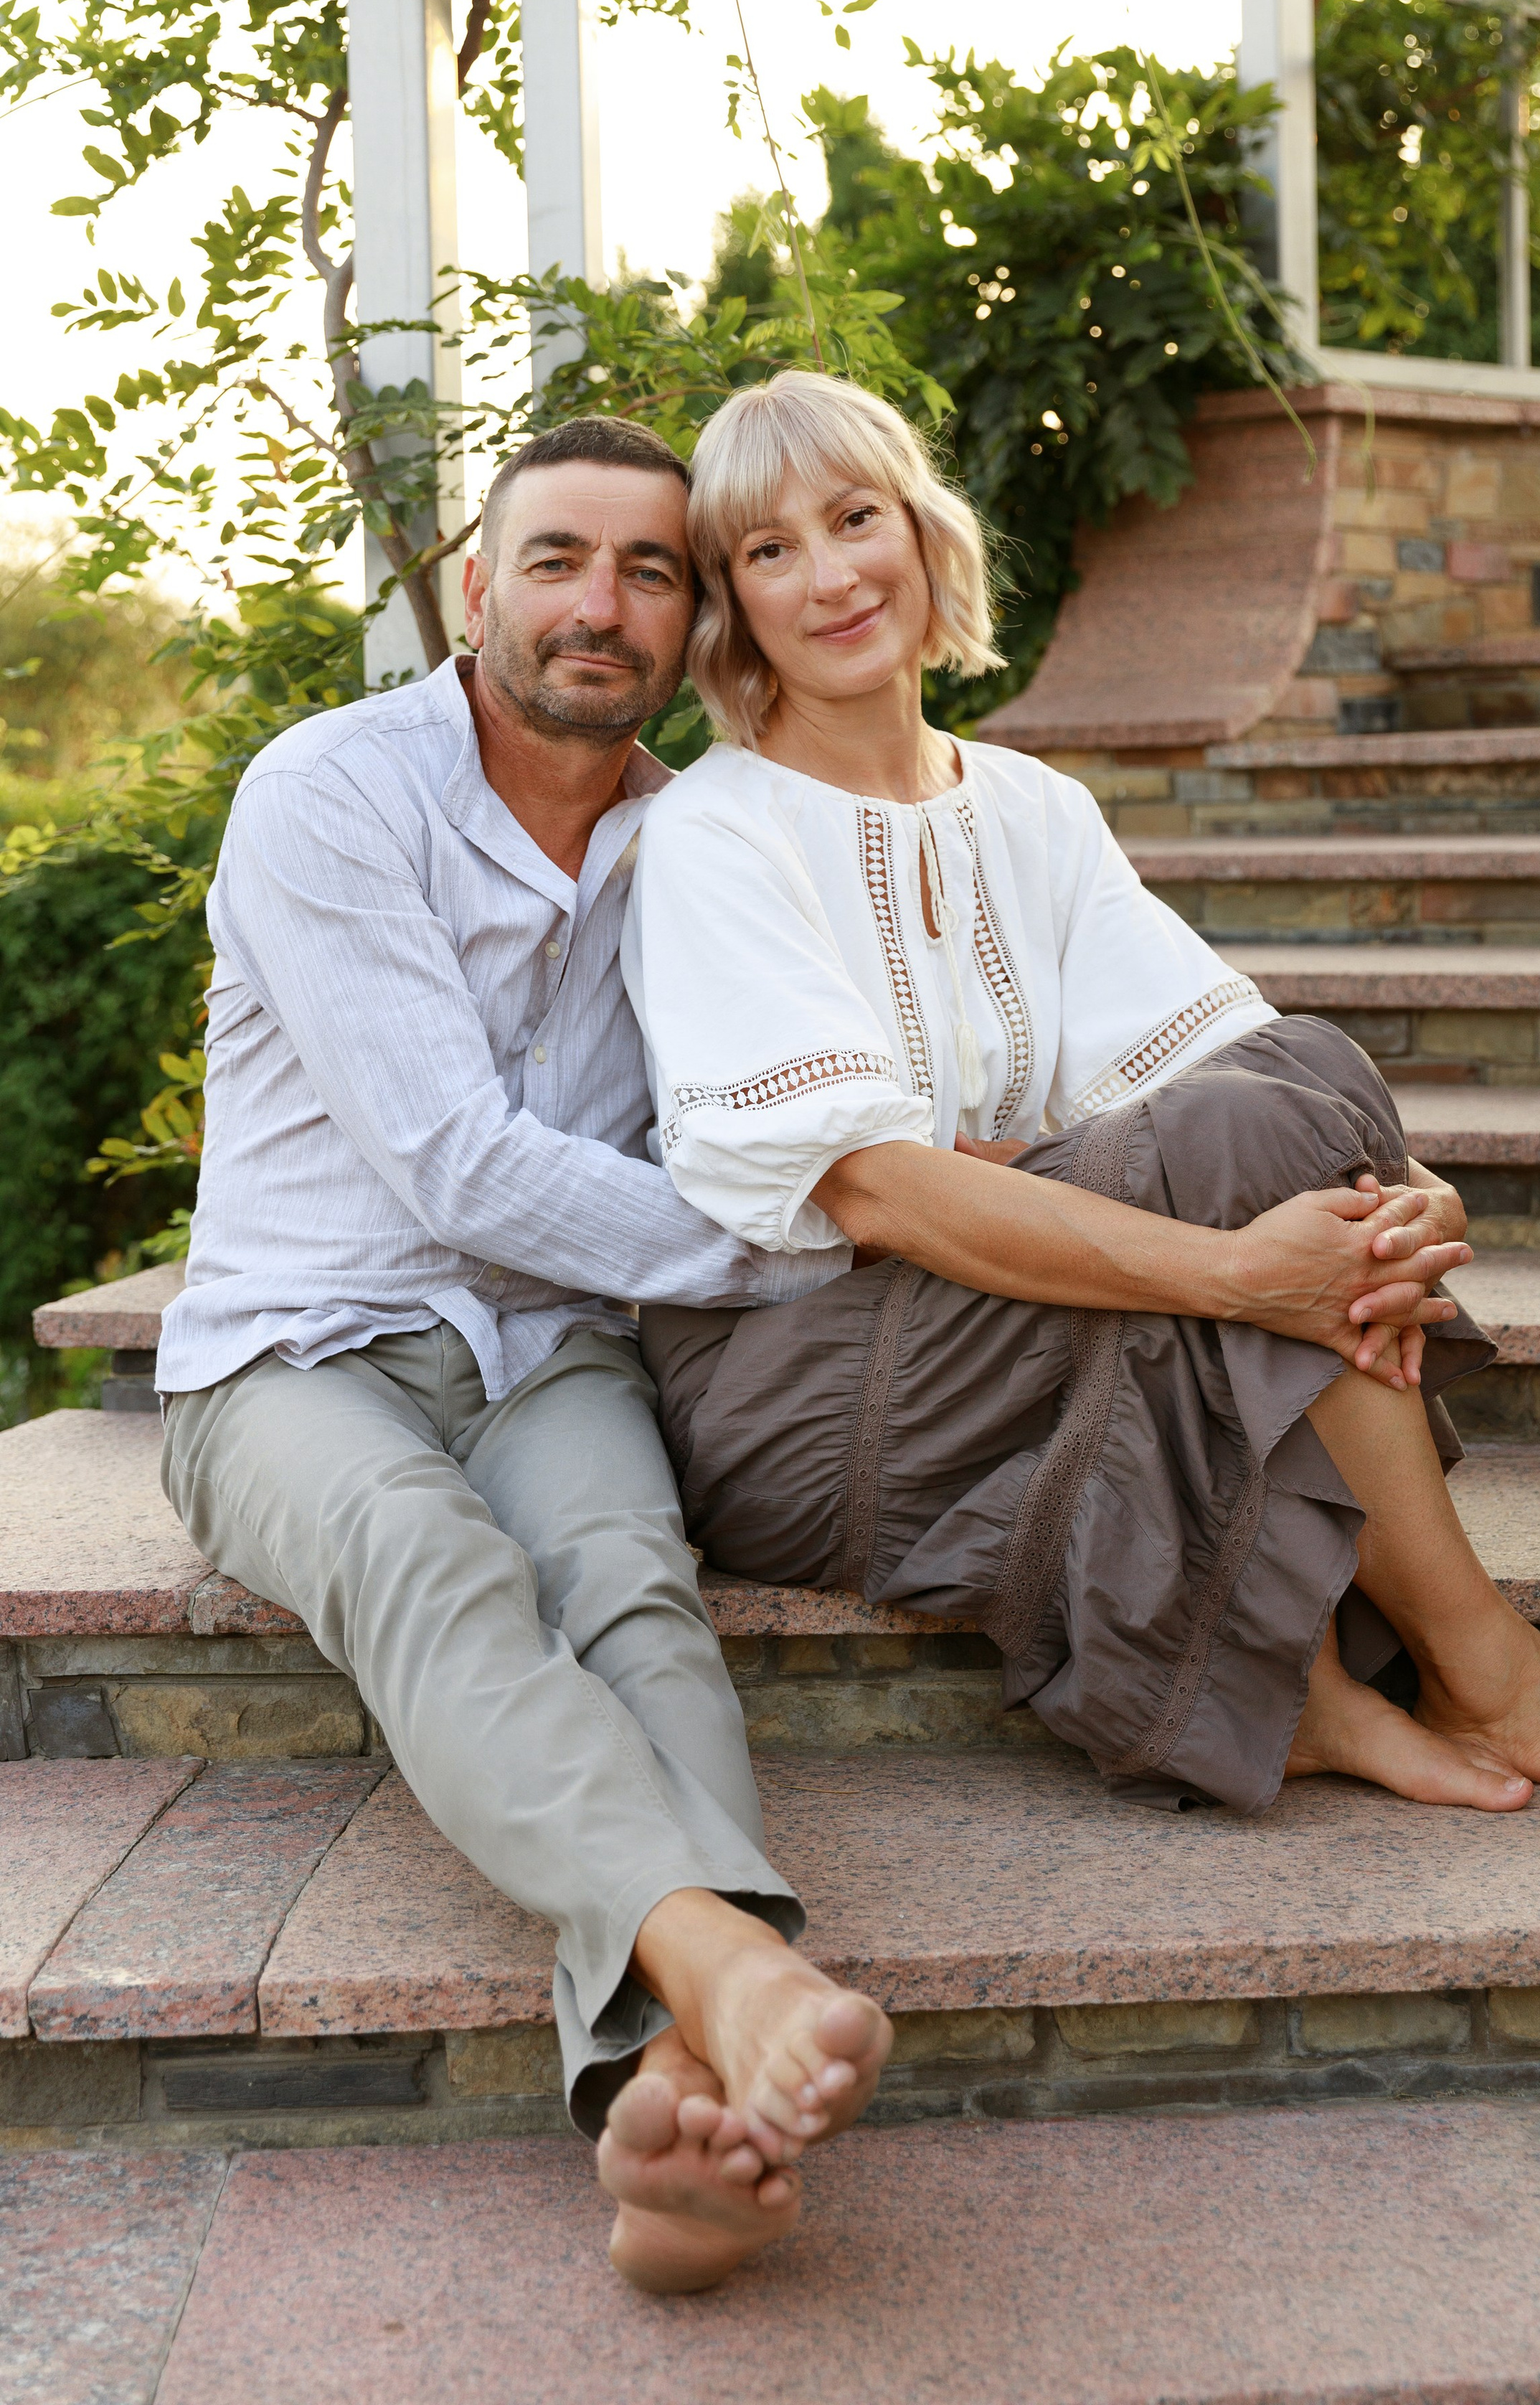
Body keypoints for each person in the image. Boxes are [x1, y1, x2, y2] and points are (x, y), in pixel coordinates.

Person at [153, 410, 1473, 2300]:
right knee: (427, 1564)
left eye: (647, 569)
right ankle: (730, 1972)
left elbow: (906, 1075)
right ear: (478, 585)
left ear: (687, 619)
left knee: (636, 1598)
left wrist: (941, 1181)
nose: (599, 604)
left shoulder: (675, 830)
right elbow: (456, 1164)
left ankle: (676, 2115)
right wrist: (849, 1217)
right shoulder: (334, 792)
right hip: (297, 1351)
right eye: (557, 559)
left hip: (555, 1347)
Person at [628, 366, 1540, 1827]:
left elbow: (1249, 1072)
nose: (832, 577)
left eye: (854, 519)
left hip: (996, 1330)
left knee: (1299, 1082)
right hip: (794, 1397)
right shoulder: (716, 833)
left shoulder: (1033, 809)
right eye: (770, 550)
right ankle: (1483, 1666)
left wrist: (1407, 1194)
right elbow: (875, 1191)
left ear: (918, 531)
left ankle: (1302, 1685)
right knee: (1239, 1167)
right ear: (731, 605)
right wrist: (1239, 1271)